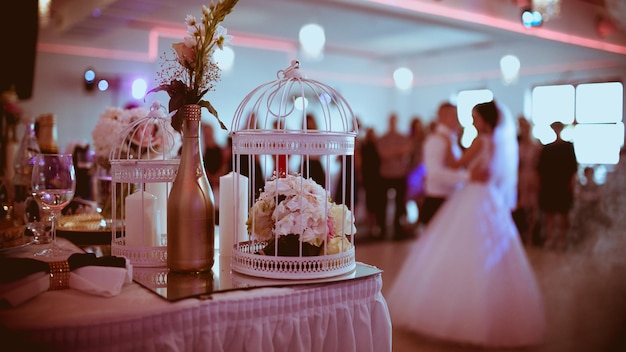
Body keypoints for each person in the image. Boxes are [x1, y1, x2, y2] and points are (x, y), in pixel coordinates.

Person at [387, 100, 546, 348]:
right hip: (486, 197)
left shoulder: (480, 140)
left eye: (474, 117)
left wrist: (451, 144)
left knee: (456, 252)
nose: (471, 121)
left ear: (485, 119)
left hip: (473, 195)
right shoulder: (495, 142)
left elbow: (454, 165)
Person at [418, 102, 466, 225]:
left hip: (450, 199)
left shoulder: (451, 140)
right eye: (454, 115)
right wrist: (467, 177)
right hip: (438, 201)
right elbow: (435, 173)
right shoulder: (436, 140)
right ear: (442, 116)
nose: (458, 119)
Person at [537, 121, 578, 249]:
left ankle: (562, 239)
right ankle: (550, 238)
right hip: (550, 184)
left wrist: (571, 182)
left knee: (563, 212)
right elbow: (541, 168)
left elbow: (573, 167)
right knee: (550, 212)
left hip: (563, 184)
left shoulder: (568, 147)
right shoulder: (547, 148)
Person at [375, 112, 413, 239]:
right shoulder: (383, 138)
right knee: (382, 203)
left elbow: (407, 150)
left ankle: (398, 229)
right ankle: (382, 229)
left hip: (399, 175)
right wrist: (397, 152)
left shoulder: (402, 137)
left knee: (400, 203)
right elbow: (383, 154)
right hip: (385, 175)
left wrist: (392, 152)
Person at [515, 116, 541, 245]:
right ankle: (521, 234)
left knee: (532, 206)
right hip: (519, 177)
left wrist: (536, 179)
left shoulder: (536, 146)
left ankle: (531, 235)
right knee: (521, 206)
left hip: (532, 176)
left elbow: (539, 165)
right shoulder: (517, 144)